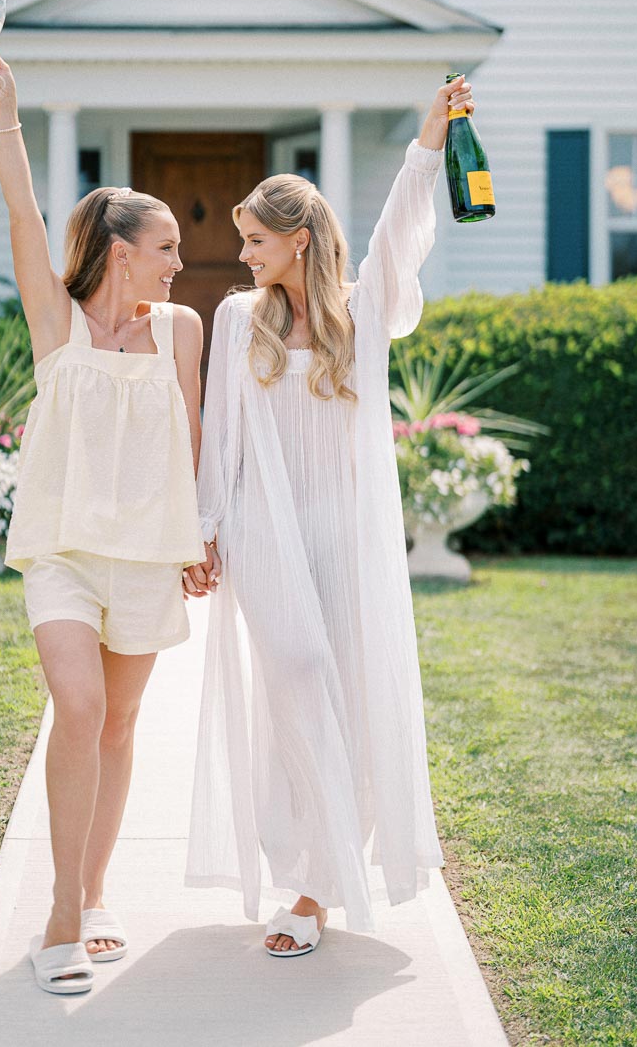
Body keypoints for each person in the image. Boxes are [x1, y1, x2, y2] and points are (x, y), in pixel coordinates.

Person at [187, 76, 476, 955]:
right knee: (300, 681)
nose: (241, 253)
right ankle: (313, 878)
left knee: (343, 691)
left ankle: (317, 881)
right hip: (263, 536)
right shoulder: (238, 320)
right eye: (240, 238)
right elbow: (222, 437)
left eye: (254, 238)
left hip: (345, 541)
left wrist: (430, 139)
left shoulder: (362, 315)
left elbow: (397, 235)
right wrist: (202, 532)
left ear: (299, 239)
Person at [0, 42, 210, 993]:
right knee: (77, 707)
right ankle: (61, 910)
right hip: (64, 551)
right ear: (122, 252)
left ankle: (97, 890)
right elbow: (24, 215)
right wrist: (7, 112)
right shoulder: (56, 322)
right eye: (167, 250)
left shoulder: (183, 330)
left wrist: (201, 538)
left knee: (118, 725)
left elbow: (196, 443)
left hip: (148, 555)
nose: (181, 263)